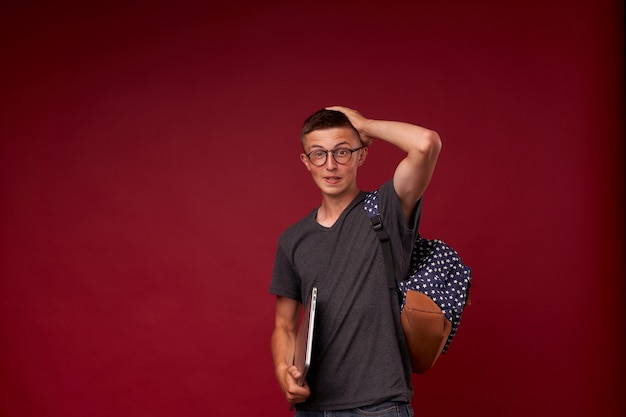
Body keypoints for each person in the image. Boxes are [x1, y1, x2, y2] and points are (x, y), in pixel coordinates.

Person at [269, 105, 442, 416]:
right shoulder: (292, 240)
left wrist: (366, 125)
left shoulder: (386, 210)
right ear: (306, 162)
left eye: (343, 152)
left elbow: (426, 143)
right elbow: (283, 325)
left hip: (380, 407)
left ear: (362, 155)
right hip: (311, 408)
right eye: (319, 154)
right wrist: (284, 370)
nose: (331, 165)